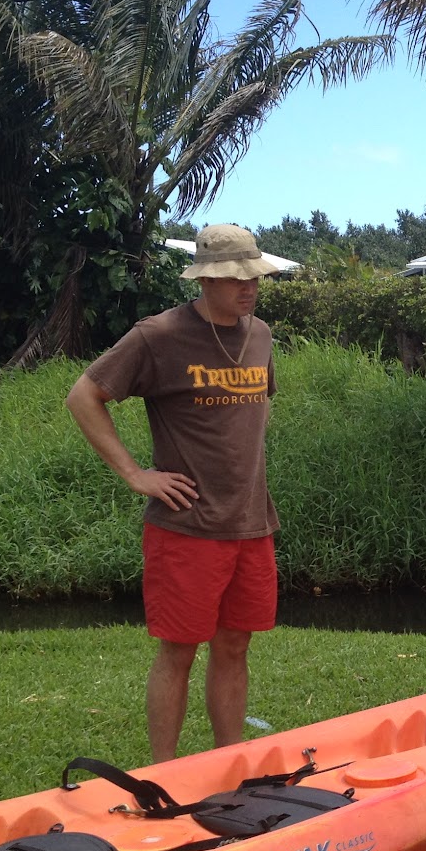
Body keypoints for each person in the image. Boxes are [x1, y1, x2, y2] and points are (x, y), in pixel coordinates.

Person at [66, 224, 281, 762]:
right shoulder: (157, 336)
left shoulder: (260, 335)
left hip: (252, 522)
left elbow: (256, 410)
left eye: (253, 276)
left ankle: (228, 761)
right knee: (179, 650)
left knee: (235, 644)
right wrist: (136, 474)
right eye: (235, 278)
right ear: (206, 278)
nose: (248, 287)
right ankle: (165, 772)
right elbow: (84, 396)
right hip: (186, 526)